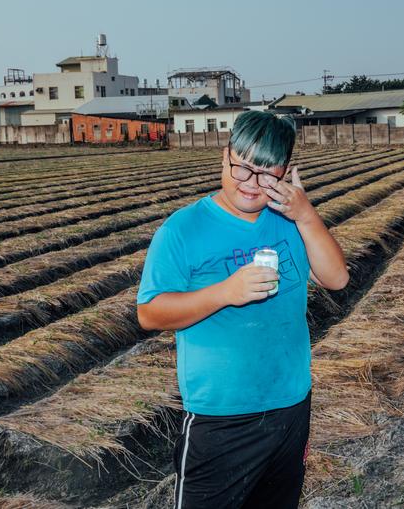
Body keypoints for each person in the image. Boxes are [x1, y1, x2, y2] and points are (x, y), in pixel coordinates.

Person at [137, 111, 349, 508]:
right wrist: (226, 292)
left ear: (286, 172)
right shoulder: (183, 230)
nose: (252, 185)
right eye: (243, 169)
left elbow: (336, 279)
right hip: (221, 418)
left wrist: (305, 214)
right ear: (225, 157)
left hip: (289, 407)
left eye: (268, 174)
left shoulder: (289, 222)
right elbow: (150, 313)